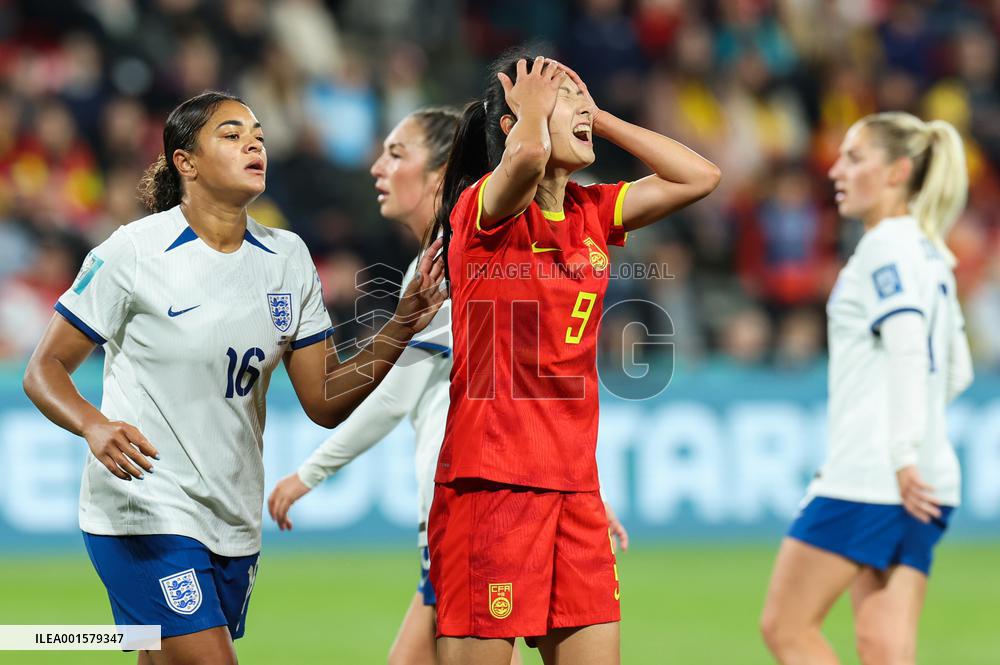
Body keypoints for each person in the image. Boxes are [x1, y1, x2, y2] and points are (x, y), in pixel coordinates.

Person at [21, 91, 445, 665]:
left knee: (160, 657)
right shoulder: (135, 252)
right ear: (185, 161)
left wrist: (403, 322)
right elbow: (43, 368)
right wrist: (94, 426)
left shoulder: (286, 256)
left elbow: (323, 400)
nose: (254, 143)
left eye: (260, 135)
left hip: (230, 514)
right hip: (143, 505)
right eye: (231, 133)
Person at [266, 107, 631, 665]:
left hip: (482, 500)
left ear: (438, 175)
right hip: (493, 493)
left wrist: (310, 472)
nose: (376, 168)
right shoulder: (450, 257)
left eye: (396, 153)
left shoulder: (459, 258)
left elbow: (394, 391)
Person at [427, 53, 720, 665]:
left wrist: (601, 118)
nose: (579, 109)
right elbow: (529, 159)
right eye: (563, 100)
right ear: (514, 125)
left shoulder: (590, 212)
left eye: (579, 98)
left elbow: (698, 177)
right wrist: (531, 112)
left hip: (576, 487)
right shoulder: (485, 212)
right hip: (495, 482)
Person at [760, 112, 974, 665]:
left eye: (854, 158)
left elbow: (906, 346)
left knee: (787, 627)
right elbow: (956, 371)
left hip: (877, 476)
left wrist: (894, 452)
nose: (836, 170)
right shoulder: (932, 253)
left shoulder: (884, 249)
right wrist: (915, 444)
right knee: (885, 648)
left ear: (898, 171)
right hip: (929, 478)